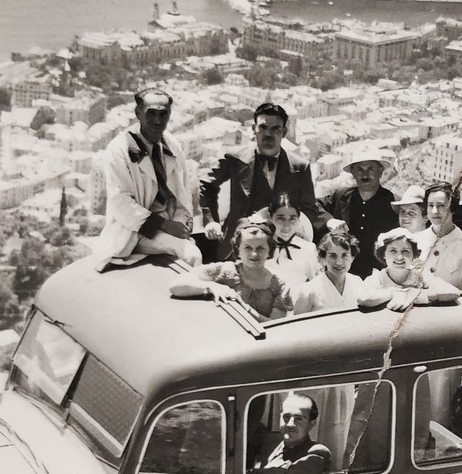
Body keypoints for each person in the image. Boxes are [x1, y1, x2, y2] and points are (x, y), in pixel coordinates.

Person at [199, 102, 326, 259]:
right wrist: (211, 221)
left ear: (284, 132)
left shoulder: (300, 167)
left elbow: (309, 209)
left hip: (280, 253)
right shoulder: (235, 158)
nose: (268, 134)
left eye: (275, 129)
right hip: (237, 247)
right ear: (254, 129)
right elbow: (206, 184)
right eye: (263, 127)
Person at [94, 87, 202, 269]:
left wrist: (182, 223)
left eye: (163, 114)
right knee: (192, 255)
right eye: (151, 114)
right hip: (134, 230)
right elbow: (121, 203)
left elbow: (181, 191)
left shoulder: (172, 144)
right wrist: (165, 225)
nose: (157, 121)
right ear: (138, 113)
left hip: (168, 222)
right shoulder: (119, 149)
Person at [169, 218, 294, 322]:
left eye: (260, 248)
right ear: (238, 250)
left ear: (270, 251)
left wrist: (243, 309)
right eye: (248, 248)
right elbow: (176, 286)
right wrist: (211, 287)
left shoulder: (279, 286)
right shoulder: (224, 271)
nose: (254, 254)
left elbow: (277, 328)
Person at [321, 148, 398, 278]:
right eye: (359, 169)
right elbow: (313, 206)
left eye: (370, 169)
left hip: (377, 278)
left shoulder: (394, 203)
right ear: (353, 173)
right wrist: (329, 221)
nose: (365, 174)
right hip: (340, 273)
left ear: (380, 172)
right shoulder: (340, 196)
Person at [359, 228, 460, 312]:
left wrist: (414, 294)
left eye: (405, 251)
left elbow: (453, 292)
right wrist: (394, 293)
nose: (399, 257)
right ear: (384, 254)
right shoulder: (378, 278)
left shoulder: (420, 276)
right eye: (393, 251)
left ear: (413, 255)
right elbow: (363, 298)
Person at [249, 392, 332, 474]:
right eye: (286, 417)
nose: (290, 424)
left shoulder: (318, 453)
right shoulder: (271, 440)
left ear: (311, 424)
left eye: (299, 419)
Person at [417, 181, 462, 289]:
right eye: (430, 205)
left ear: (452, 207)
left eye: (441, 206)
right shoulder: (415, 240)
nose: (434, 211)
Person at [292, 230, 366, 313]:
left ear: (352, 258)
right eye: (333, 256)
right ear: (324, 258)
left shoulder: (357, 282)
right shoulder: (308, 291)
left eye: (344, 255)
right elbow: (299, 325)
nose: (339, 262)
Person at [264, 193, 319, 289]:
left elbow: (316, 283)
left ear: (298, 219)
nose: (286, 225)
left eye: (292, 219)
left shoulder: (308, 249)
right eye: (280, 218)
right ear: (270, 217)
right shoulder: (262, 247)